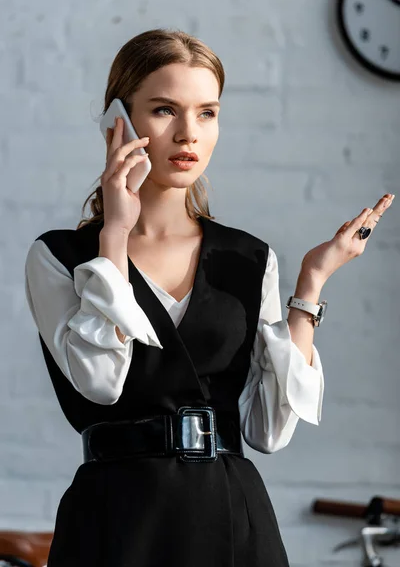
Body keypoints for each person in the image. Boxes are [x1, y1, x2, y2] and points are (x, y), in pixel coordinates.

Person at [24, 28, 395, 567]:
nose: (187, 134)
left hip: (233, 519)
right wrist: (114, 239)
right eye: (164, 110)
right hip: (117, 520)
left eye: (207, 113)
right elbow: (101, 385)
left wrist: (309, 287)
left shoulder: (249, 259)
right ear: (117, 123)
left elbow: (267, 432)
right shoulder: (59, 257)